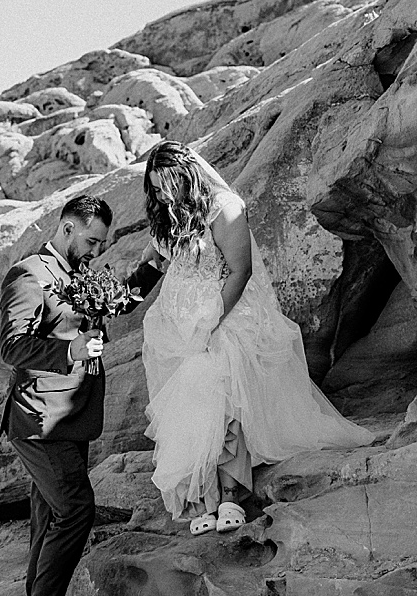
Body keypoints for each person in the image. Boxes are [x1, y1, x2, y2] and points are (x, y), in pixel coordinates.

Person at [138, 141, 373, 535]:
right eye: (156, 189)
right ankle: (202, 497)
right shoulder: (168, 217)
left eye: (168, 186)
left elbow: (240, 271)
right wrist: (112, 299)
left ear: (187, 178)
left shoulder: (224, 207)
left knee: (223, 383)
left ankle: (230, 494)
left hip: (226, 314)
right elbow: (149, 266)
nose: (163, 196)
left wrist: (212, 323)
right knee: (187, 404)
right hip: (179, 324)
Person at [0, 194, 113, 596]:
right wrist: (69, 348)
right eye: (91, 240)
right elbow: (12, 344)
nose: (95, 250)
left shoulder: (75, 273)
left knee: (48, 523)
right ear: (68, 227)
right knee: (75, 510)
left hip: (71, 417)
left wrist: (151, 266)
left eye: (101, 243)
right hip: (39, 420)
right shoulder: (29, 274)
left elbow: (112, 301)